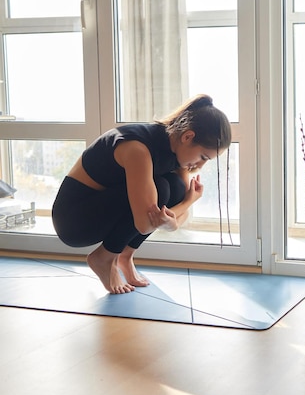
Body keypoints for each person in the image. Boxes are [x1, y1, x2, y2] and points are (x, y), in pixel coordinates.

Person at [52, 94, 231, 294]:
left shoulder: (175, 151)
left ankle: (125, 256)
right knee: (161, 188)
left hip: (101, 210)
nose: (200, 166)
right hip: (74, 220)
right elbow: (146, 223)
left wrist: (179, 210)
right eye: (203, 157)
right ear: (188, 136)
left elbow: (177, 216)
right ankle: (104, 257)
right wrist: (185, 205)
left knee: (175, 188)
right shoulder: (138, 148)